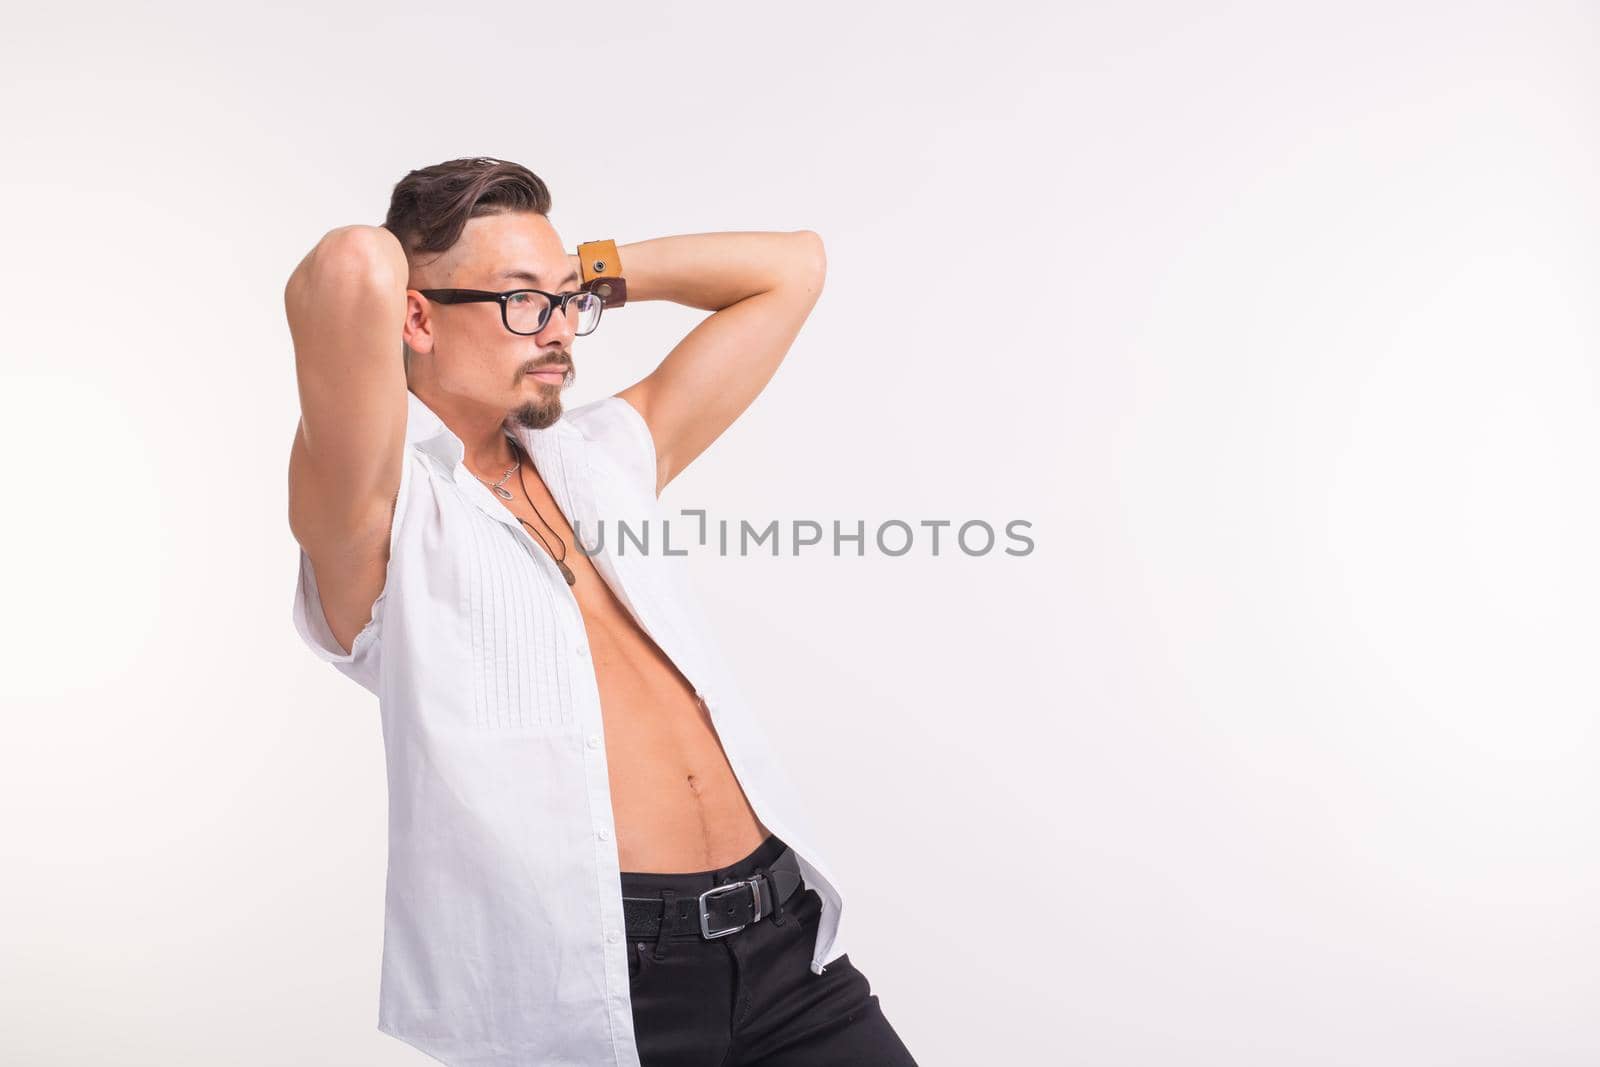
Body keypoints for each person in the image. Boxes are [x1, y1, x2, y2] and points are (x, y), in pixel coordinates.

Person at [285, 156, 918, 1067]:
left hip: (786, 949)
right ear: (416, 315)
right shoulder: (375, 516)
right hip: (602, 991)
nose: (560, 332)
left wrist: (583, 269)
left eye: (566, 304)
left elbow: (795, 268)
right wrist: (454, 263)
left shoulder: (599, 454)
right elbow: (351, 264)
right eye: (521, 302)